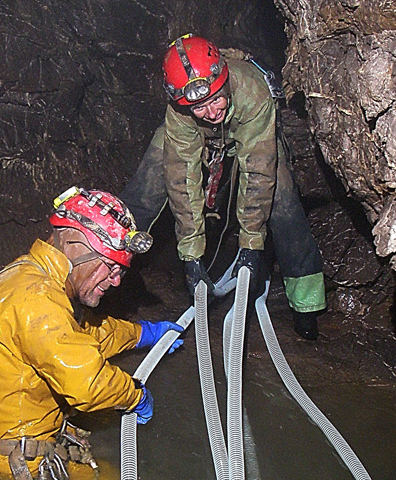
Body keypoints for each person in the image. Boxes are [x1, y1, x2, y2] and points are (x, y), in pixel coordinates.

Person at [0, 186, 183, 480]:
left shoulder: (33, 278)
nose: (117, 280)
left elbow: (79, 338)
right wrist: (136, 396)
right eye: (111, 267)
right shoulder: (35, 298)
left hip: (29, 439)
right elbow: (87, 384)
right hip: (21, 466)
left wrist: (143, 333)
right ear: (76, 245)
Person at [120, 34, 326, 339]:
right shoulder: (180, 114)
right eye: (199, 106)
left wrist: (251, 244)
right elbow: (183, 179)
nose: (212, 111)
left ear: (225, 81)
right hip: (200, 138)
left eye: (215, 98)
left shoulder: (250, 91)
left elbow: (258, 170)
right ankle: (111, 269)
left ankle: (307, 302)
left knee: (281, 198)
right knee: (147, 184)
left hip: (252, 130)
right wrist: (190, 254)